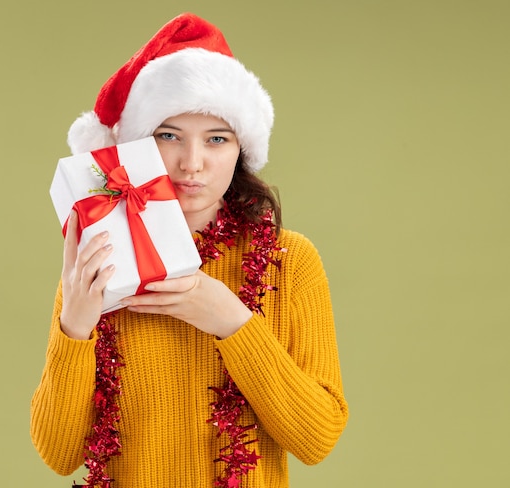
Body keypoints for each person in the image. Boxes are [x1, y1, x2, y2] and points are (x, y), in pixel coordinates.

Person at [31, 12, 348, 488]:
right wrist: (74, 325)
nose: (191, 164)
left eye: (216, 139)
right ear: (137, 145)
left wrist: (231, 320)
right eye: (168, 136)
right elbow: (58, 454)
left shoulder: (291, 260)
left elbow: (317, 438)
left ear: (240, 151)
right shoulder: (100, 258)